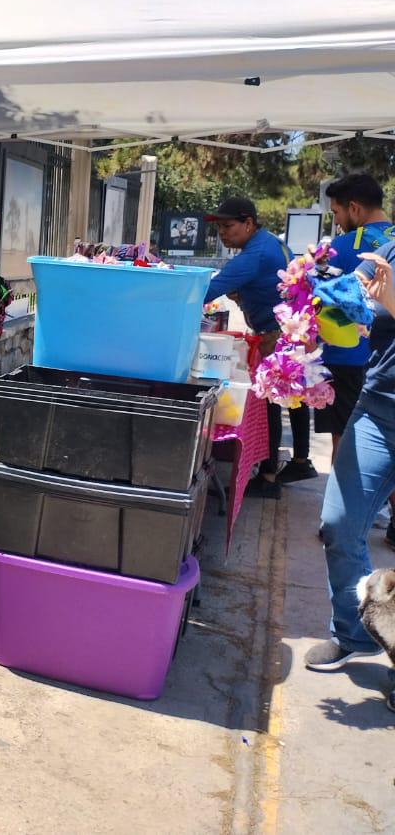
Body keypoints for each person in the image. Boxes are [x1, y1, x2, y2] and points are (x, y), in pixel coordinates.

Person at [306, 243, 395, 670]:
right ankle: (355, 633)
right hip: (378, 409)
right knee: (339, 524)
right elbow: (351, 294)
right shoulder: (390, 250)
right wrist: (319, 283)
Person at [202, 196, 311, 498]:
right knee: (292, 399)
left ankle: (268, 477)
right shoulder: (272, 242)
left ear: (248, 223)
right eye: (219, 228)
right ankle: (300, 461)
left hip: (276, 335)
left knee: (271, 404)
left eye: (228, 226)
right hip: (290, 330)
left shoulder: (255, 254)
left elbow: (207, 289)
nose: (222, 234)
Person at [315, 174, 394, 457]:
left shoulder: (343, 246)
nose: (336, 221)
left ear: (354, 208)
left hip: (346, 358)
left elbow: (320, 300)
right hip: (387, 364)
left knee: (345, 444)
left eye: (336, 212)